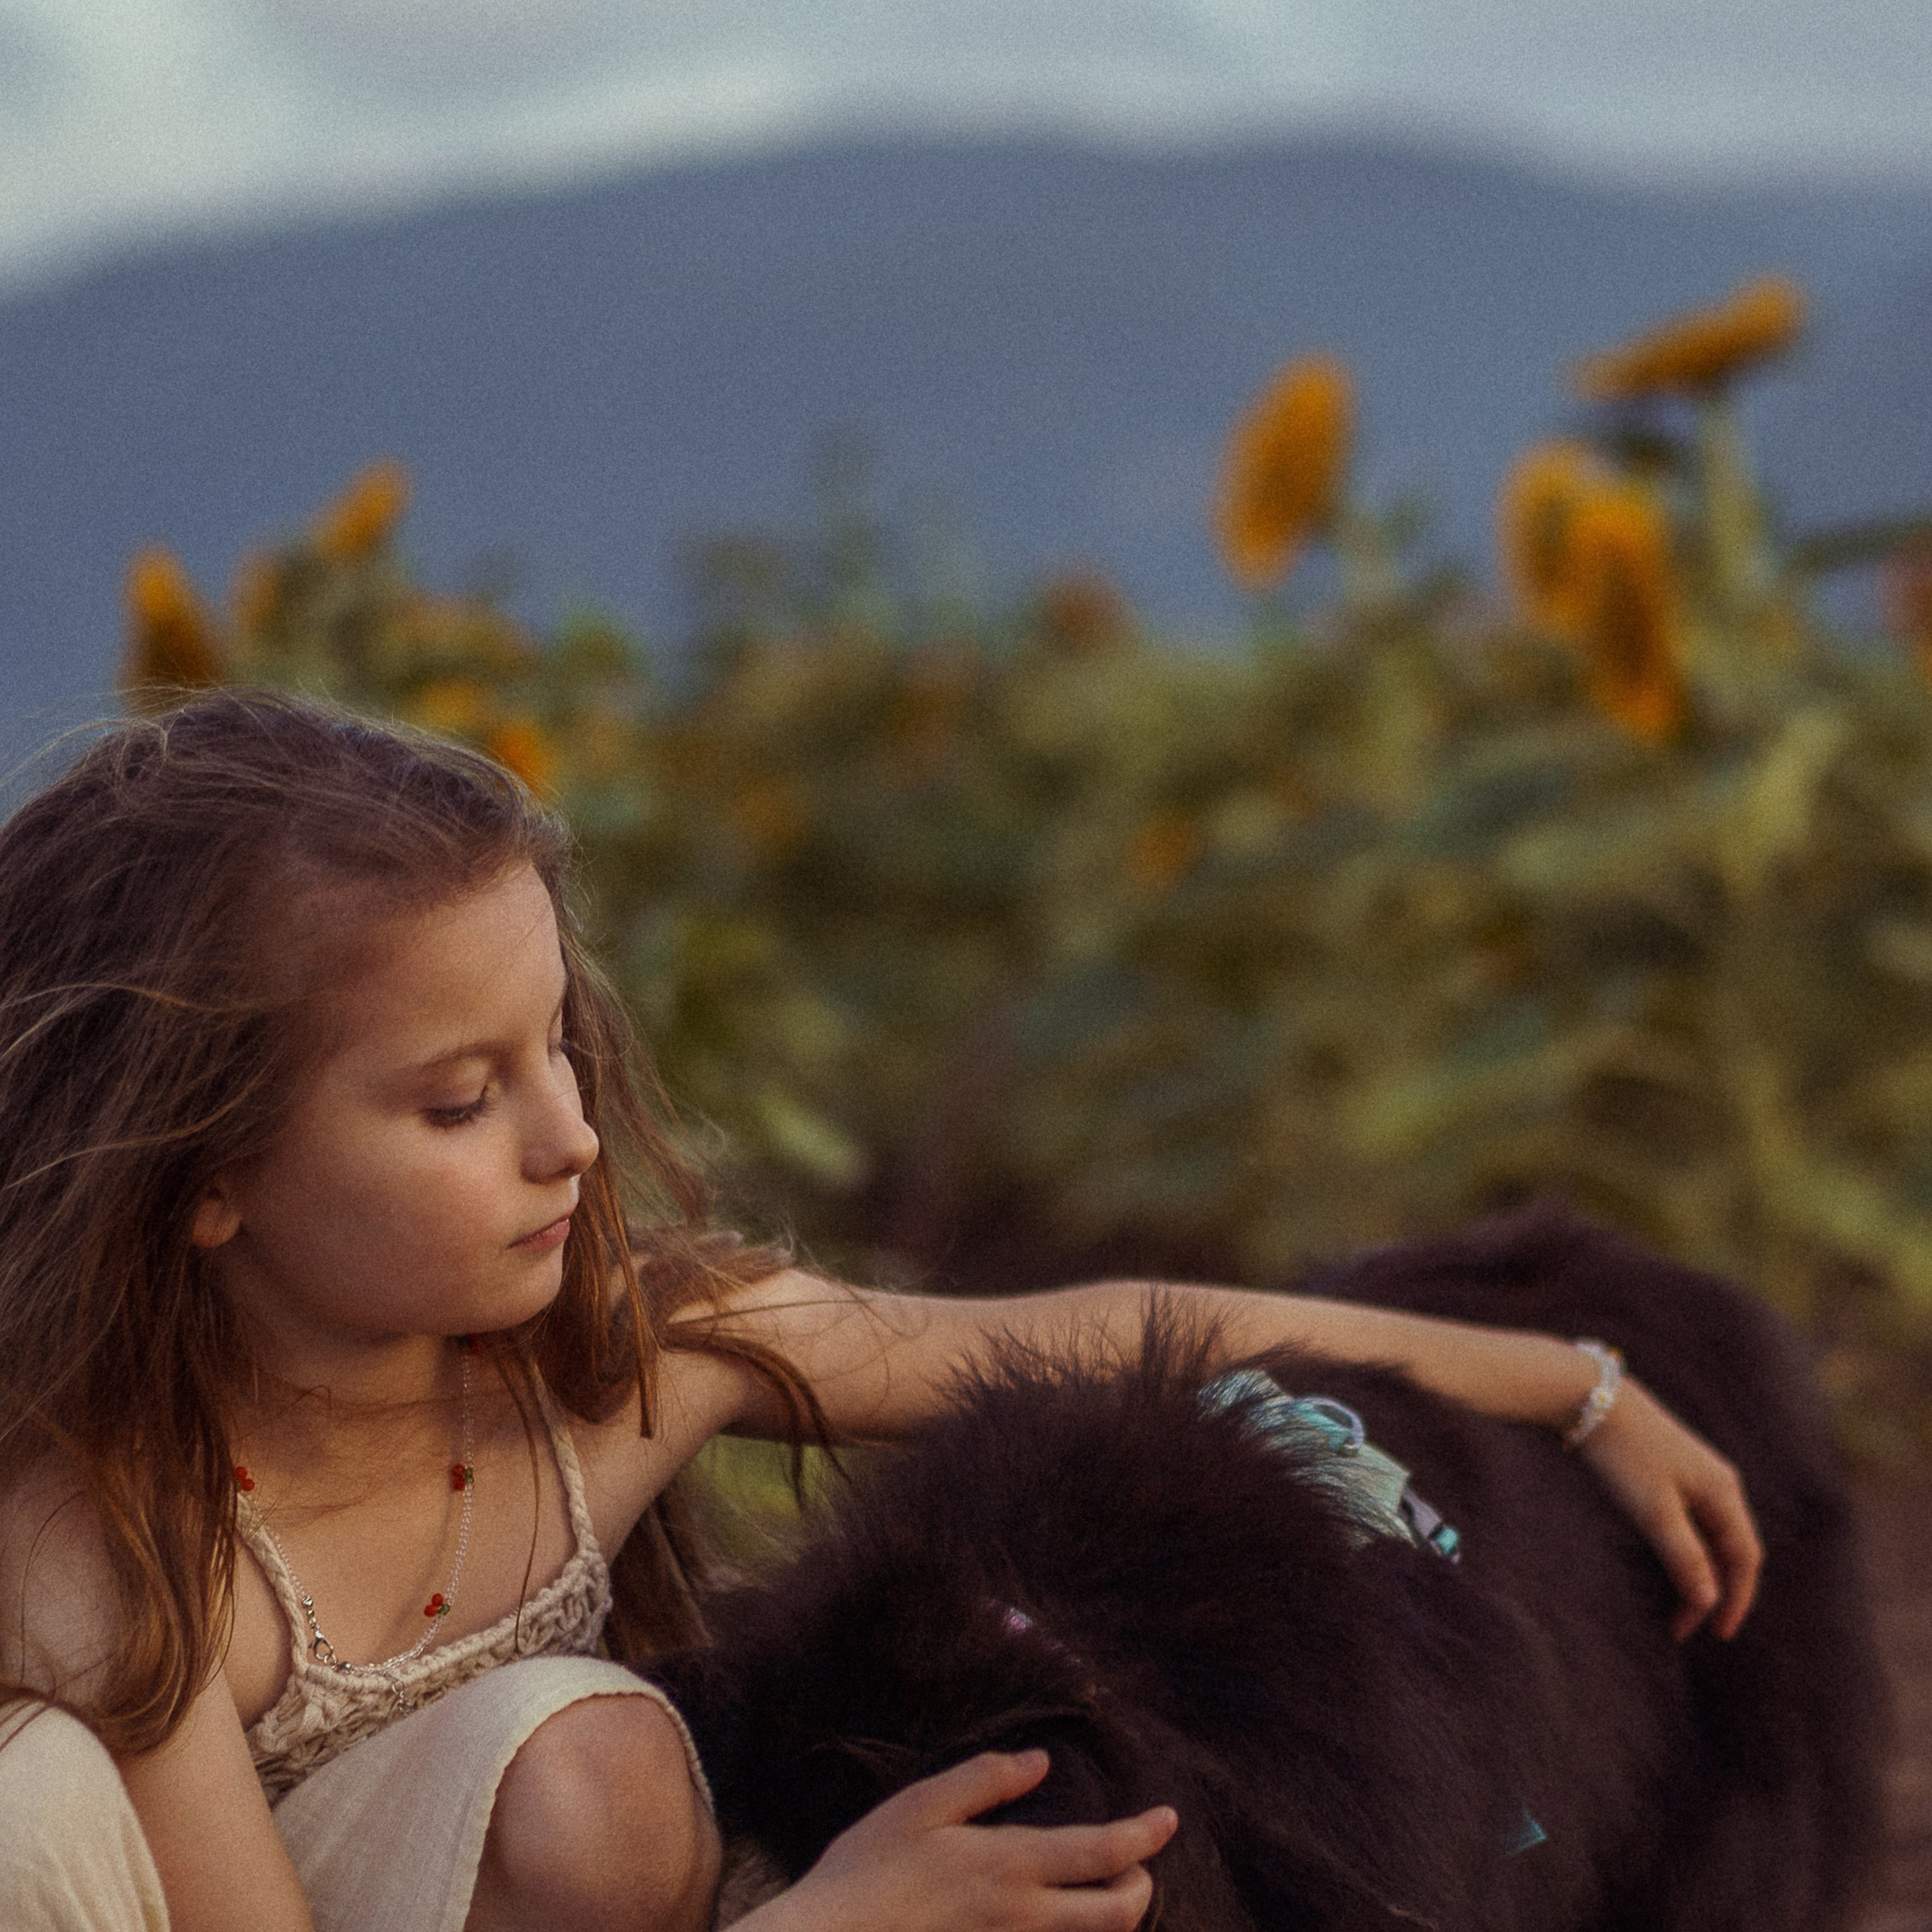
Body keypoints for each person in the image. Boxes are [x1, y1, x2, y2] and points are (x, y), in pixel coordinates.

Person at [0, 693, 1761, 1932]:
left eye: (554, 1045)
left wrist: (1573, 1380)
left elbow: (1103, 1325)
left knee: (596, 1768)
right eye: (459, 1101)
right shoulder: (129, 1553)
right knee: (37, 1803)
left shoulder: (620, 1361)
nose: (569, 1134)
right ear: (200, 1173)